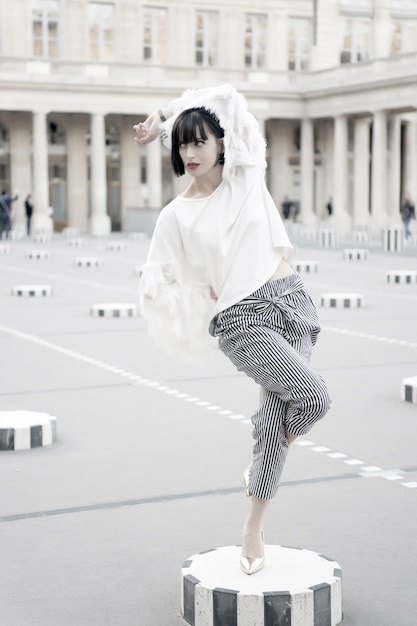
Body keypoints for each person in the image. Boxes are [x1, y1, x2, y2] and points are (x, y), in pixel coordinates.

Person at [134, 85, 331, 575]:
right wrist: (192, 297)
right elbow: (157, 281)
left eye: (199, 141)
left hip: (292, 302)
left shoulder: (246, 178)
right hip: (241, 322)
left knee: (272, 420)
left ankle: (252, 524)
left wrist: (165, 114)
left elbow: (228, 95)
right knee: (312, 397)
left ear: (222, 143)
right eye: (182, 144)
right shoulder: (174, 216)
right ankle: (261, 482)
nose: (189, 152)